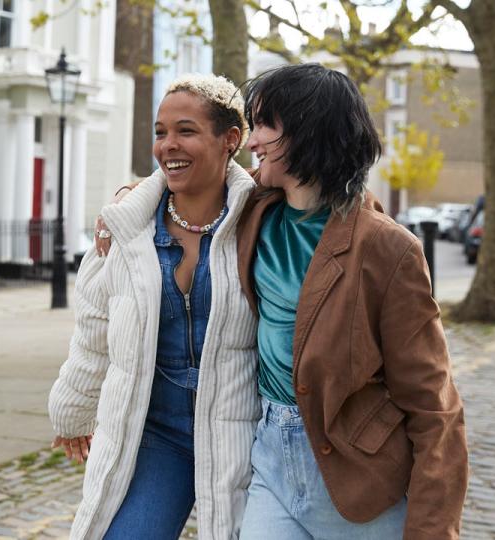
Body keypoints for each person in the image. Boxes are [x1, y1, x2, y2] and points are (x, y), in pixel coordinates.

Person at [96, 64, 468, 539]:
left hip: (358, 475)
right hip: (270, 456)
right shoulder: (254, 208)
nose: (251, 141)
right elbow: (196, 178)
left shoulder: (388, 250)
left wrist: (434, 529)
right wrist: (134, 196)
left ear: (307, 133)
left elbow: (434, 404)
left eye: (265, 126)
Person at [48, 73, 260, 540]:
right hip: (155, 433)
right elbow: (94, 330)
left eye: (186, 130)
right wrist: (71, 412)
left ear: (231, 140)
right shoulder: (126, 231)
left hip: (243, 432)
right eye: (161, 133)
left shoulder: (263, 222)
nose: (168, 145)